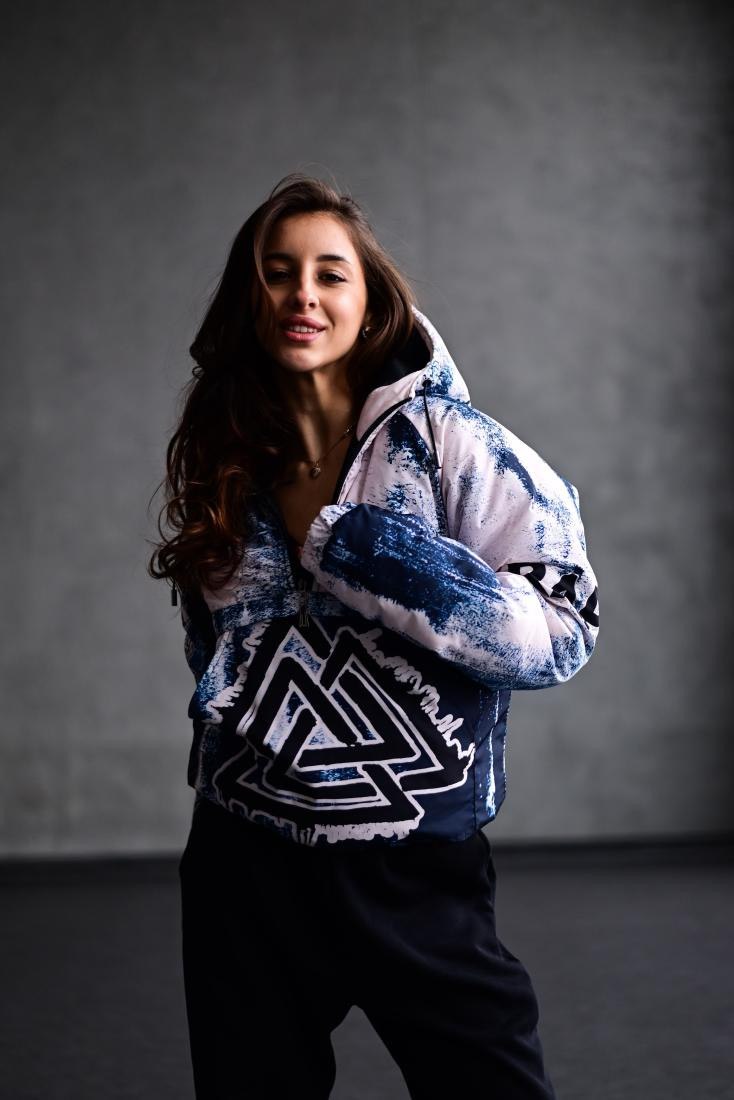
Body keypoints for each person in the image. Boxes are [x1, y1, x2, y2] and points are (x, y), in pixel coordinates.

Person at [150, 174, 599, 1099]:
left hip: (408, 857)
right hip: (244, 861)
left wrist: (364, 549)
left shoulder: (452, 443)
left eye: (330, 274)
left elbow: (561, 632)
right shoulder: (227, 450)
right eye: (277, 273)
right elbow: (213, 646)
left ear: (371, 302)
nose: (302, 295)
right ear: (250, 298)